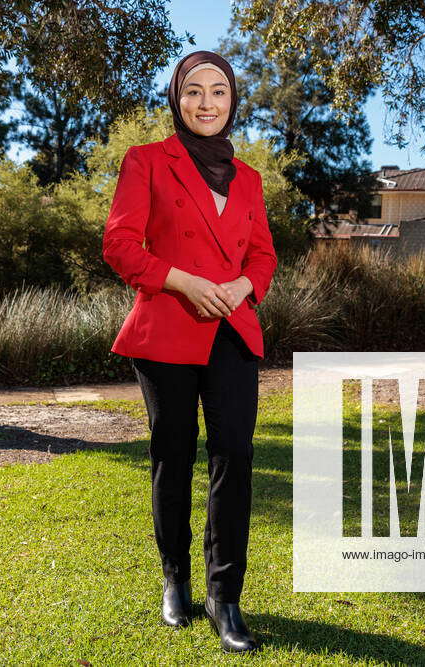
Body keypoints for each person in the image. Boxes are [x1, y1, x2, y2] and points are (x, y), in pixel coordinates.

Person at [101, 50, 278, 654]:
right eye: (194, 91)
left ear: (233, 102)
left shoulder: (250, 179)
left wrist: (239, 287)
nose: (207, 103)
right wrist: (183, 281)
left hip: (233, 330)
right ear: (177, 98)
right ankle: (175, 578)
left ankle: (224, 595)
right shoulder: (147, 161)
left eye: (219, 92)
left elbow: (263, 256)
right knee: (172, 456)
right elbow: (120, 245)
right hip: (168, 329)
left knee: (235, 454)